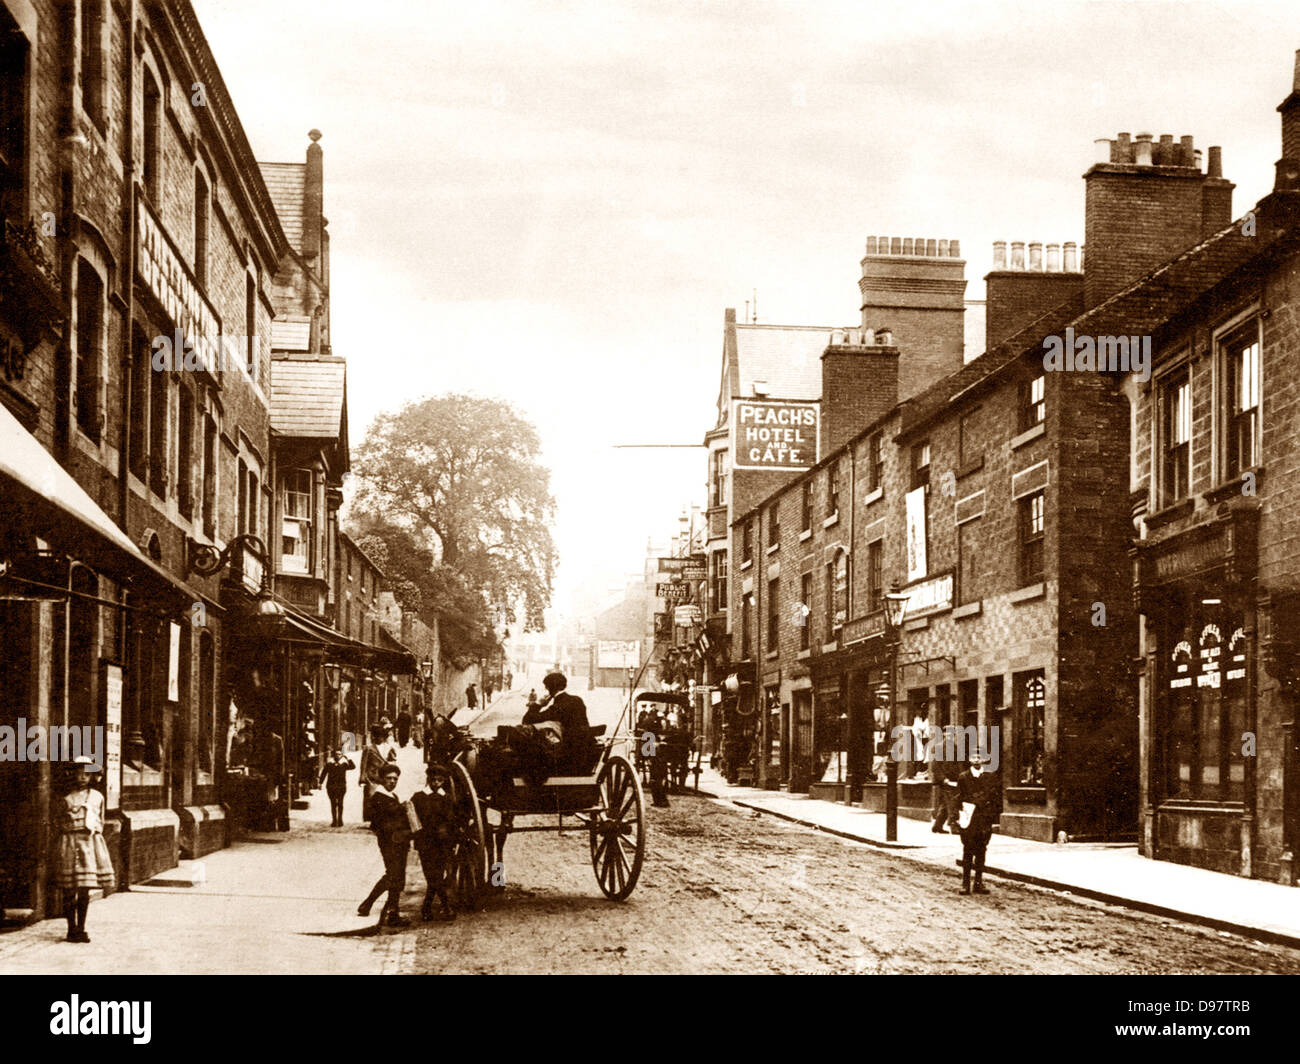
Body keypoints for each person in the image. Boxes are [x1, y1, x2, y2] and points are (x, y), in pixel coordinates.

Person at [54, 757, 115, 943]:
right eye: (79, 774)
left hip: (89, 842)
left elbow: (101, 821)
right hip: (70, 842)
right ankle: (71, 928)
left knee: (84, 888)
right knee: (69, 888)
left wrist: (94, 836)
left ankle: (81, 927)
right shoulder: (67, 798)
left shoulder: (97, 797)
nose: (82, 778)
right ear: (73, 775)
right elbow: (58, 821)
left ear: (92, 777)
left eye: (86, 774)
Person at [358, 763, 411, 926]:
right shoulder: (379, 798)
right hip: (390, 842)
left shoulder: (392, 796)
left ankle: (385, 909)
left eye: (395, 779)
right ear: (382, 779)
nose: (392, 781)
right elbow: (377, 823)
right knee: (393, 875)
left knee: (397, 876)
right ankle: (373, 905)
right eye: (389, 778)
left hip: (400, 842)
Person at [410, 764, 458, 921]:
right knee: (431, 875)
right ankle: (444, 906)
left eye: (440, 780)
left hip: (443, 844)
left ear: (444, 781)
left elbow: (453, 821)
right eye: (433, 780)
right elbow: (413, 821)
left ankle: (427, 907)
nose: (436, 783)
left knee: (436, 875)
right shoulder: (418, 797)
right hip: (426, 843)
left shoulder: (448, 798)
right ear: (428, 779)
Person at [522, 671, 592, 775]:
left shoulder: (558, 706)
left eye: (546, 687)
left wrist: (538, 705)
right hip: (585, 750)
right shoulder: (577, 700)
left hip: (566, 754)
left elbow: (527, 720)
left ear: (549, 688)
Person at [955, 751, 1002, 896]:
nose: (977, 760)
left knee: (981, 850)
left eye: (979, 757)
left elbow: (994, 797)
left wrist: (992, 817)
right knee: (968, 850)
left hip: (984, 819)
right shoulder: (964, 777)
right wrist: (957, 817)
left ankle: (978, 883)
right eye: (974, 757)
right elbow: (959, 797)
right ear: (969, 760)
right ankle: (965, 883)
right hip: (969, 818)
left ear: (984, 760)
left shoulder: (990, 777)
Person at [321, 747, 354, 827]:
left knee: (340, 803)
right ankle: (334, 821)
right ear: (334, 755)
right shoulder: (329, 764)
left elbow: (353, 767)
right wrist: (320, 783)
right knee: (333, 804)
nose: (337, 756)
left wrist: (348, 759)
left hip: (341, 786)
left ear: (342, 755)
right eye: (336, 754)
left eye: (339, 754)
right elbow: (324, 773)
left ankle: (340, 820)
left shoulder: (344, 764)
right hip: (331, 786)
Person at [359, 725, 389, 811]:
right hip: (372, 777)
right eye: (378, 737)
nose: (380, 739)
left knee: (384, 797)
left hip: (384, 777)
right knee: (371, 797)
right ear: (375, 737)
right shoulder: (369, 748)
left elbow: (392, 762)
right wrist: (362, 777)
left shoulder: (387, 748)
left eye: (382, 737)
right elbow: (363, 763)